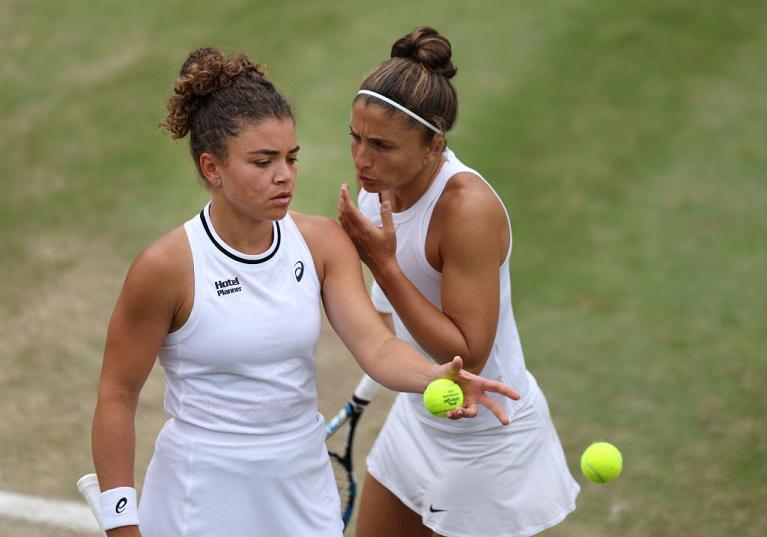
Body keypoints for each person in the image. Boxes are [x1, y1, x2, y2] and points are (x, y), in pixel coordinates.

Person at [90, 47, 521, 537]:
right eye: (262, 161)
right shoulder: (165, 268)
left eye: (291, 158)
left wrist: (431, 376)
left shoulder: (321, 244)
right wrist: (120, 521)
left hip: (303, 488)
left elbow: (377, 347)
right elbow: (117, 395)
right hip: (202, 493)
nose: (284, 175)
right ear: (212, 168)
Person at [338, 27, 580, 537]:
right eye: (356, 138)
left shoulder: (467, 209)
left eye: (382, 145)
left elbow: (468, 353)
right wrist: (396, 363)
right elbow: (390, 316)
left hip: (489, 439)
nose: (362, 159)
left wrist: (383, 265)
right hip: (419, 418)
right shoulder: (373, 192)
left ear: (434, 146)